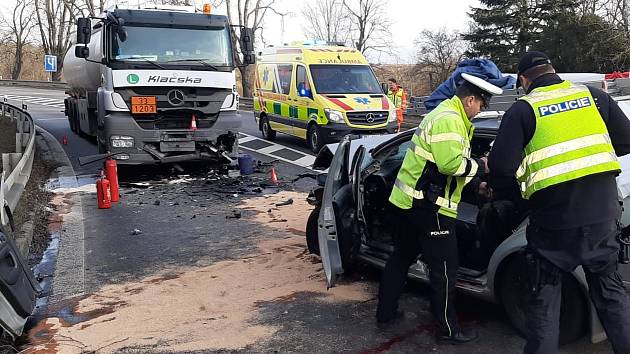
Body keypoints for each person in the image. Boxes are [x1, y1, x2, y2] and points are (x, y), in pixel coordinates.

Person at [488, 51, 630, 354]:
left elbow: (501, 168)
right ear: (554, 71)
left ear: (524, 80)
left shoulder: (524, 109)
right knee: (612, 300)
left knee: (544, 309)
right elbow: (627, 139)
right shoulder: (593, 96)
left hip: (554, 225)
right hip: (602, 218)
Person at [377, 73, 503, 344]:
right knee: (445, 270)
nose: (481, 111)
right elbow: (449, 165)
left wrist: (474, 182)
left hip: (408, 202)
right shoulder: (450, 119)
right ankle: (447, 330)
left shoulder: (445, 113)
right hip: (429, 208)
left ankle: (385, 314)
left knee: (401, 258)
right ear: (470, 100)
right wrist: (480, 166)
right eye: (481, 105)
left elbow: (439, 165)